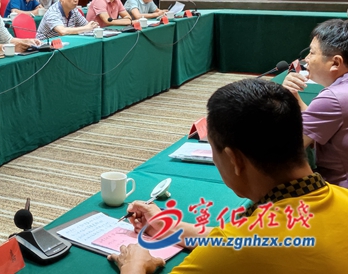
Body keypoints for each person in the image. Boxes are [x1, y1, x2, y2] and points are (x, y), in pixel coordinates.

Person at [108, 79, 348, 274]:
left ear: (234, 160)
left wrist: (134, 266)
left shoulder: (236, 249)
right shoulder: (342, 197)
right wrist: (169, 227)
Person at [282, 19, 348, 188]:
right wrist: (292, 95)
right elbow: (318, 122)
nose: (306, 59)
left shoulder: (333, 98)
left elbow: (288, 149)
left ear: (336, 63)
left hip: (339, 192)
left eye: (312, 53)